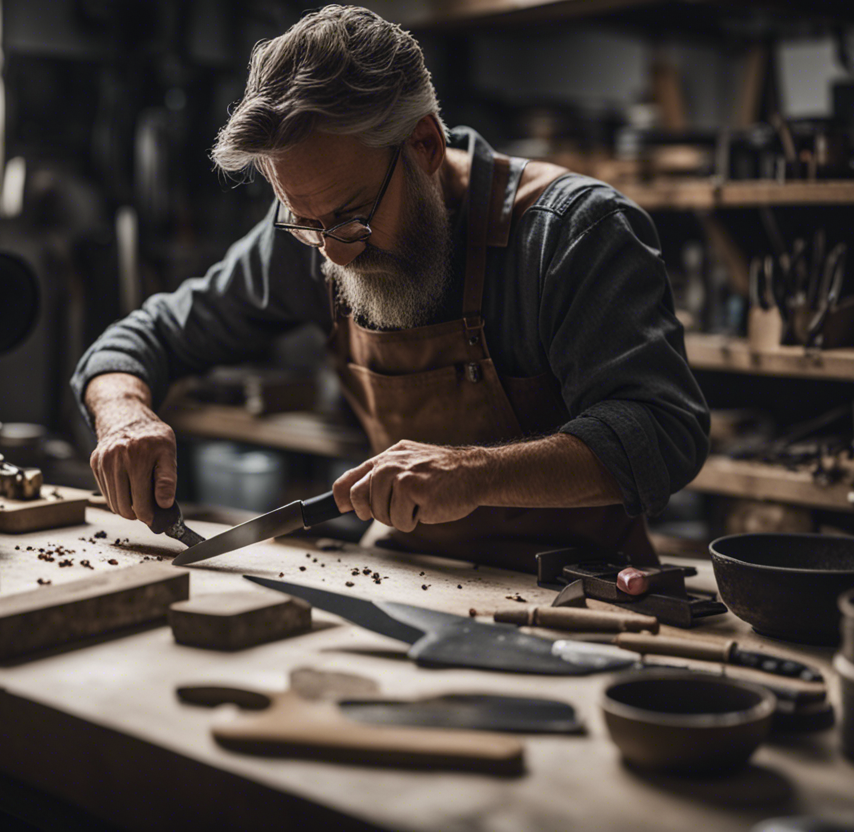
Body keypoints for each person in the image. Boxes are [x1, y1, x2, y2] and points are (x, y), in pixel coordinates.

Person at [72, 5, 709, 570]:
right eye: (307, 223)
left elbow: (663, 432)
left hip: (586, 593)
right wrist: (125, 413)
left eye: (352, 218)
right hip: (408, 579)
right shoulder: (311, 233)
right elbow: (144, 336)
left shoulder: (575, 232)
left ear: (426, 145)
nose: (334, 252)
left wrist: (472, 472)